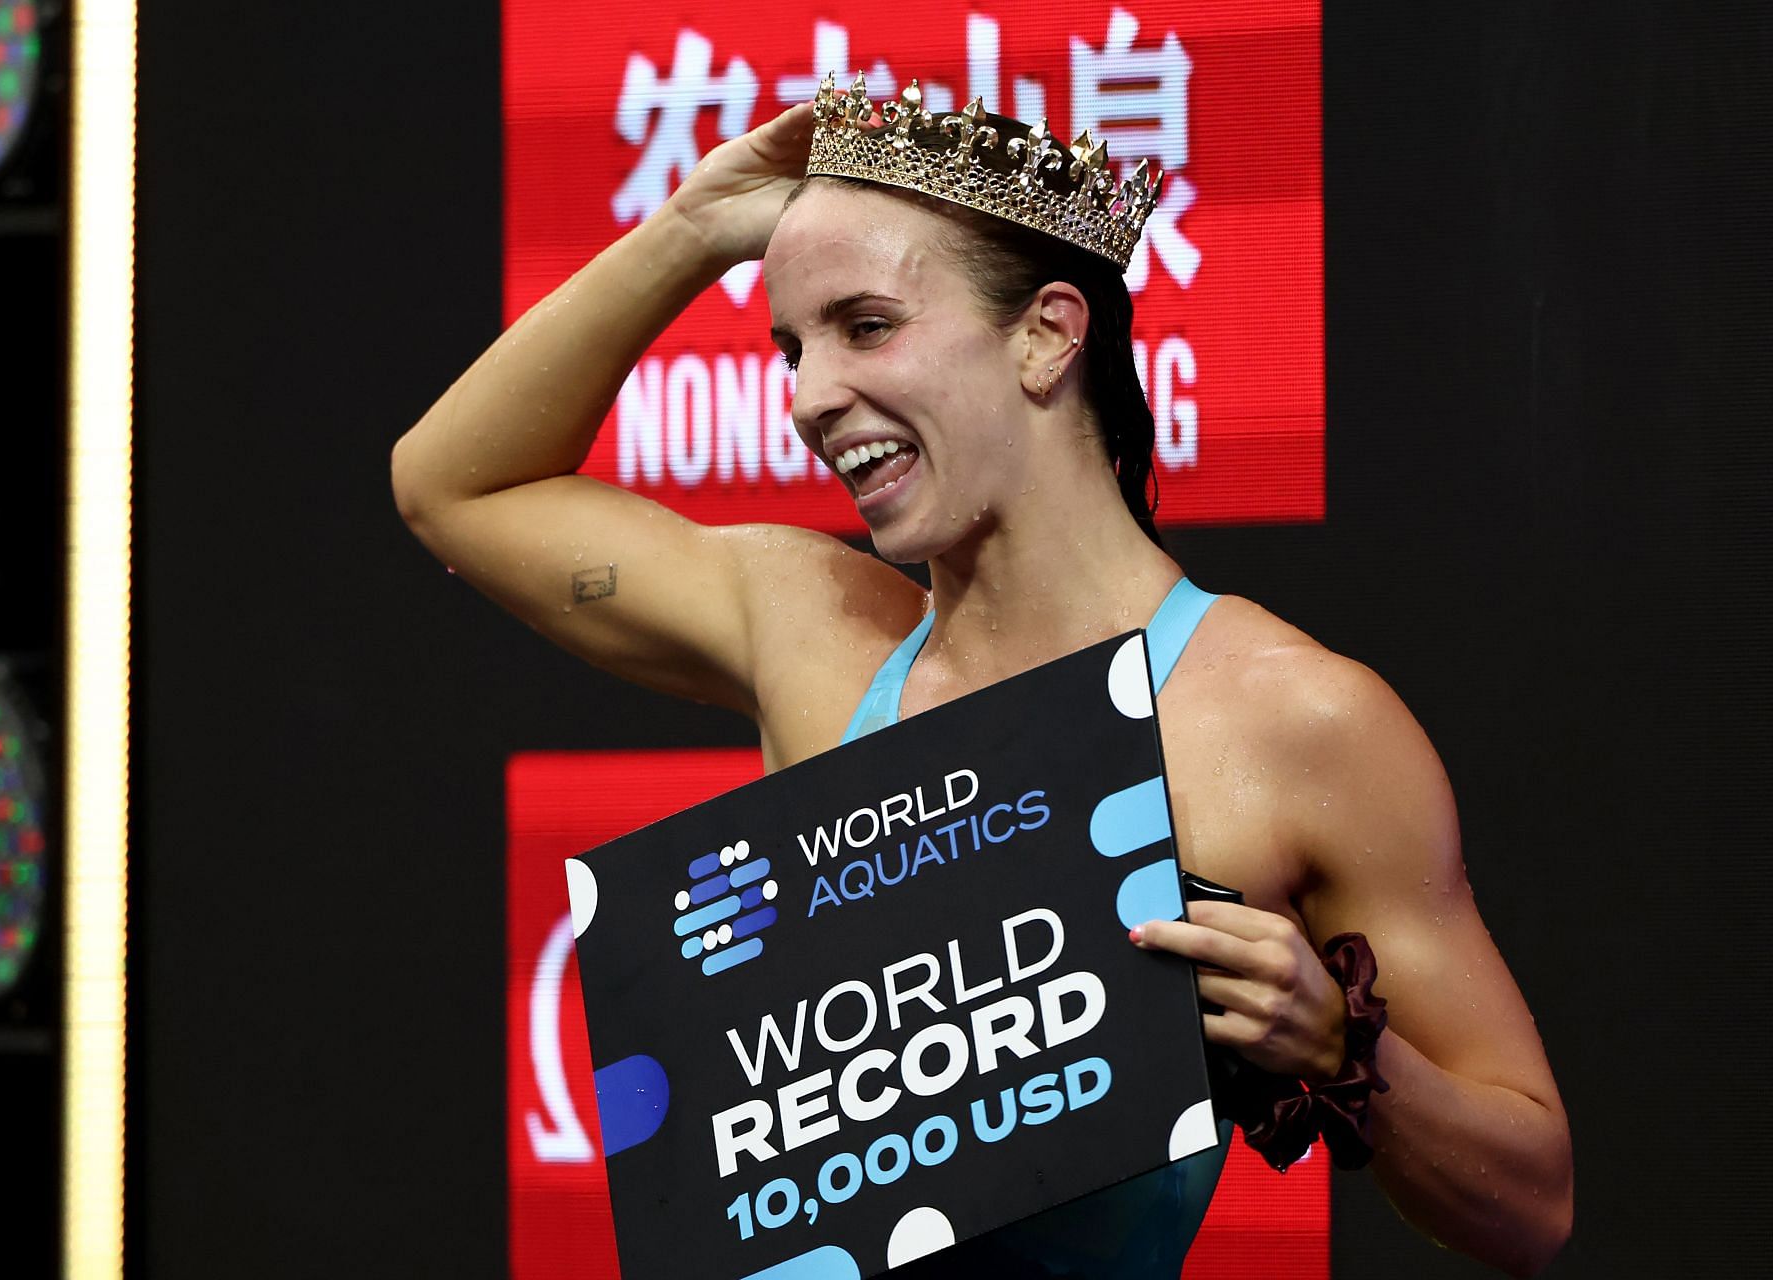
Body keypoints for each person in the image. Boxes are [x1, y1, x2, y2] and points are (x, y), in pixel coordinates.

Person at [391, 80, 1573, 1278]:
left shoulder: (1292, 720)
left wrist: (1339, 1049)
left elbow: (1531, 1202)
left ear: (1049, 333)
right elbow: (452, 487)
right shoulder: (813, 627)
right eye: (792, 347)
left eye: (866, 325)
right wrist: (693, 229)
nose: (807, 400)